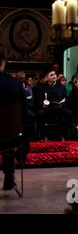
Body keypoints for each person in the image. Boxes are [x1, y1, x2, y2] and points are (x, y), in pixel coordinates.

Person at [0, 47, 27, 190]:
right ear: (2, 63)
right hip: (11, 135)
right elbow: (24, 110)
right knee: (8, 139)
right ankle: (9, 176)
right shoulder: (15, 84)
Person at [35, 69, 72, 141]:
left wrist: (62, 104)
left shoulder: (61, 87)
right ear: (46, 77)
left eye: (54, 74)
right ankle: (44, 136)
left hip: (58, 109)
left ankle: (62, 135)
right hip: (46, 110)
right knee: (40, 113)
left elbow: (65, 99)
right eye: (51, 75)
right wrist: (42, 105)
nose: (54, 76)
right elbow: (38, 100)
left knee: (68, 113)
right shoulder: (42, 87)